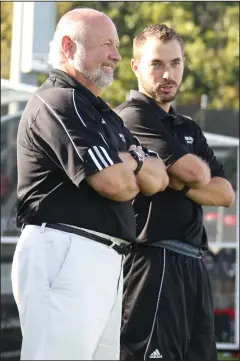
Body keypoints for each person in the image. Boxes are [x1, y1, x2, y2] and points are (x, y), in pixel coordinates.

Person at [11, 11, 168, 361]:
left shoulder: (101, 112)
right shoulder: (60, 101)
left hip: (103, 259)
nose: (115, 55)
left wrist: (131, 162)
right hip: (67, 250)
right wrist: (130, 166)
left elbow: (158, 179)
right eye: (106, 45)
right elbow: (117, 184)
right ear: (69, 47)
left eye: (116, 45)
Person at [115, 24, 235, 361]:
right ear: (136, 66)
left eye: (176, 63)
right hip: (154, 259)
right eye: (157, 64)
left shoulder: (187, 127)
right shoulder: (132, 117)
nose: (168, 74)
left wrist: (171, 180)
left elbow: (225, 194)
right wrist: (191, 179)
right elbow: (196, 172)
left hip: (194, 261)